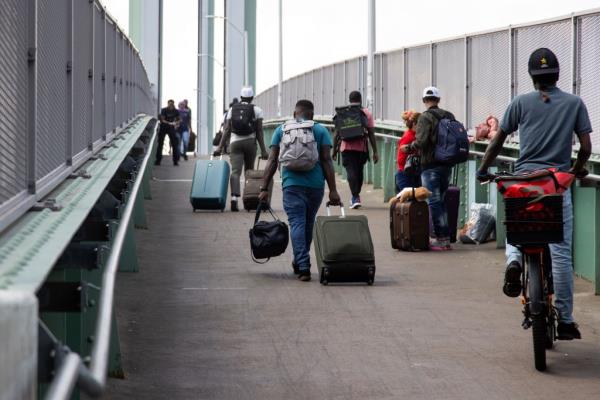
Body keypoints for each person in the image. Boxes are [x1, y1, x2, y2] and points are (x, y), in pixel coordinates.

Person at [477, 48, 592, 340]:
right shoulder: (574, 103)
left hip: (523, 183)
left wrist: (483, 169)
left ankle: (514, 260)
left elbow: (496, 143)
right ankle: (565, 319)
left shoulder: (519, 103)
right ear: (557, 75)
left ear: (532, 77)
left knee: (517, 231)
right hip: (555, 186)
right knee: (561, 252)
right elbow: (587, 148)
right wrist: (576, 170)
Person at [259, 99, 341, 282]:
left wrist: (264, 188)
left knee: (296, 223)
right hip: (315, 186)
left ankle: (303, 265)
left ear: (294, 113)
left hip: (291, 185)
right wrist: (333, 190)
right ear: (312, 115)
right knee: (307, 223)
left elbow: (272, 161)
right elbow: (327, 161)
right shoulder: (319, 130)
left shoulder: (282, 130)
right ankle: (301, 260)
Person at [401, 86, 455, 251]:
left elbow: (422, 141)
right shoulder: (449, 115)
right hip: (446, 164)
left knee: (433, 202)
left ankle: (441, 238)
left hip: (430, 165)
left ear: (424, 101)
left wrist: (408, 148)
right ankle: (446, 237)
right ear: (438, 100)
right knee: (442, 201)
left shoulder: (425, 117)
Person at [215, 88, 268, 212]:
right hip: (250, 143)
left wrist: (219, 147)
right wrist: (264, 150)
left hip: (235, 143)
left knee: (235, 171)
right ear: (251, 98)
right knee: (249, 172)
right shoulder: (257, 110)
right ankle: (248, 198)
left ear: (241, 97)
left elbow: (227, 129)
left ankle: (234, 198)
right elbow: (259, 131)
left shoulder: (232, 109)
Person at [332, 91, 379, 209]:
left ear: (349, 100)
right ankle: (356, 195)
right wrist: (375, 151)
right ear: (361, 99)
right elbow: (371, 133)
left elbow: (337, 133)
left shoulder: (343, 113)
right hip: (361, 148)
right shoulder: (366, 112)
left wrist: (334, 150)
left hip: (346, 147)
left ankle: (355, 196)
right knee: (359, 172)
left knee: (351, 172)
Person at [396, 110, 421, 192]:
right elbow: (400, 160)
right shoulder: (409, 137)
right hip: (405, 175)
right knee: (410, 202)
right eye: (421, 124)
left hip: (408, 174)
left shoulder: (413, 135)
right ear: (414, 124)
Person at [155, 99, 181, 166]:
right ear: (168, 104)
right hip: (163, 127)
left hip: (171, 128)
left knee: (174, 144)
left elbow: (179, 119)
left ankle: (175, 161)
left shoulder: (176, 111)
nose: (170, 106)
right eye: (169, 104)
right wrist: (169, 123)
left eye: (171, 104)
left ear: (173, 104)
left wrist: (176, 123)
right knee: (160, 144)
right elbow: (162, 119)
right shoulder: (164, 110)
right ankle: (158, 160)